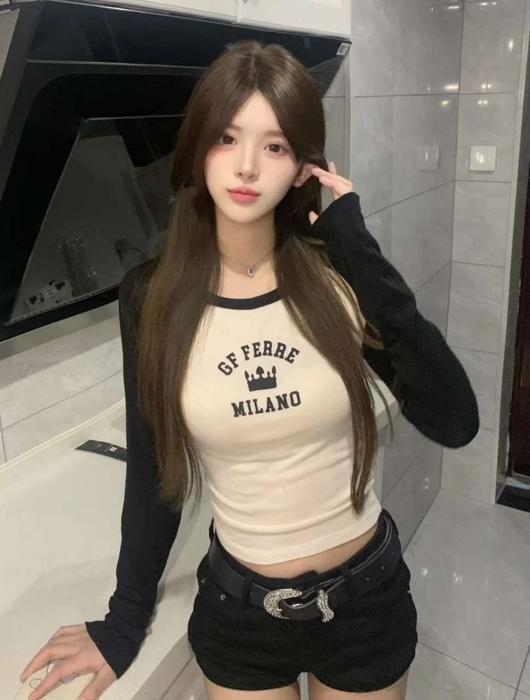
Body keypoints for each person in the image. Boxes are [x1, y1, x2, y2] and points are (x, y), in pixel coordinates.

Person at [18, 39, 479, 700]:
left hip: (366, 605)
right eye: (227, 137)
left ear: (303, 167)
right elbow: (153, 471)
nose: (245, 166)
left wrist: (359, 250)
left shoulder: (337, 271)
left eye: (275, 145)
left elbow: (454, 419)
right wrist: (123, 623)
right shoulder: (151, 297)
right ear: (197, 147)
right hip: (239, 617)